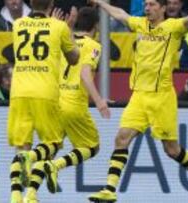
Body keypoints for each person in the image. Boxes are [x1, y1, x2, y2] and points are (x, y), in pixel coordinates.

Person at [88, 0, 188, 202]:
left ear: (163, 8)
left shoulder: (173, 27)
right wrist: (101, 2)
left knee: (172, 150)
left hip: (162, 96)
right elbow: (119, 14)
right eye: (146, 5)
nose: (147, 8)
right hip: (139, 95)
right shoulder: (140, 24)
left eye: (152, 5)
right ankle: (109, 189)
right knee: (121, 138)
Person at [22, 7, 111, 202]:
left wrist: (59, 24)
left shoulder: (60, 39)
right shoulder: (93, 45)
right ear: (96, 26)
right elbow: (85, 73)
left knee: (50, 148)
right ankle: (57, 166)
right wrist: (99, 101)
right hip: (74, 104)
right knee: (91, 146)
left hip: (53, 102)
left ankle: (30, 193)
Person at [7, 0, 79, 202]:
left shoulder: (17, 24)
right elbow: (74, 58)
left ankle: (15, 195)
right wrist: (69, 29)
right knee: (51, 144)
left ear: (30, 4)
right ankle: (31, 194)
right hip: (45, 91)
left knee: (22, 145)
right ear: (52, 4)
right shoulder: (59, 27)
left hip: (19, 91)